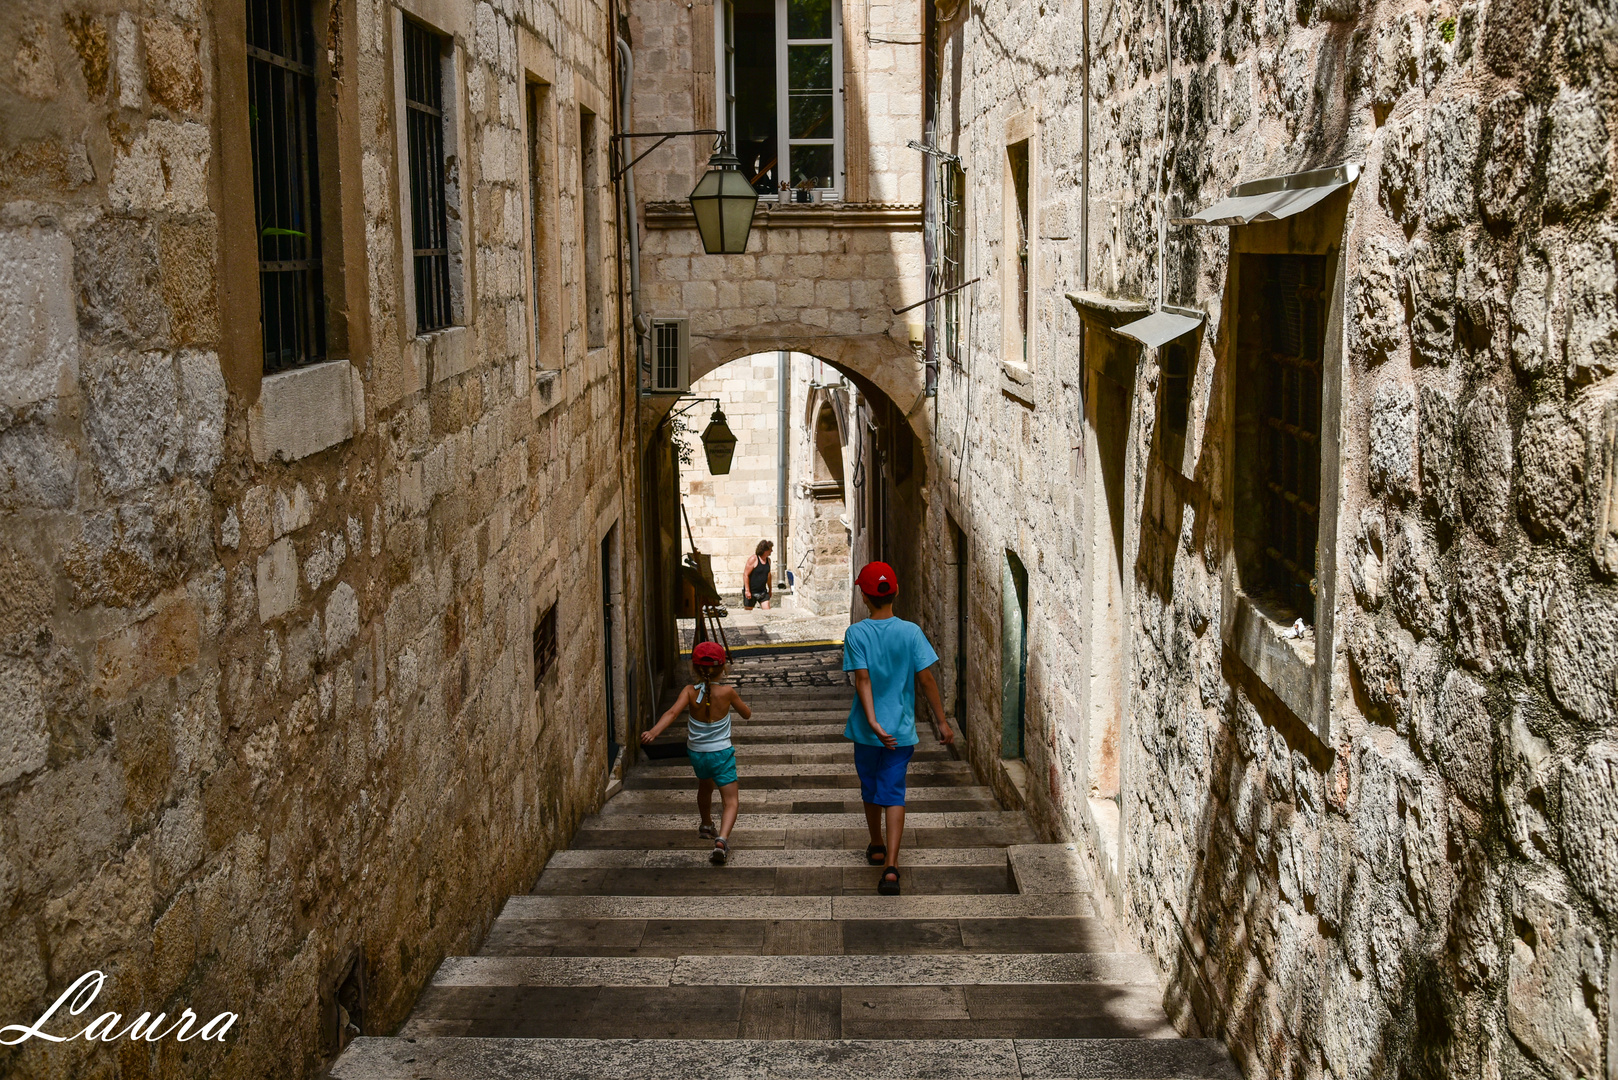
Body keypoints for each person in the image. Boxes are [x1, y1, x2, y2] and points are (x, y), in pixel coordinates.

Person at [842, 561, 954, 895]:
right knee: (894, 792)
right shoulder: (911, 633)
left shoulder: (856, 633)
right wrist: (942, 720)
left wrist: (873, 721)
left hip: (866, 729)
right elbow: (926, 679)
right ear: (896, 591)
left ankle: (876, 843)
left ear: (864, 596)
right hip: (900, 731)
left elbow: (862, 678)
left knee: (869, 786)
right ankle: (891, 865)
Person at [641, 641, 751, 864]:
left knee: (705, 785)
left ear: (694, 668)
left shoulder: (689, 692)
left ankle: (706, 824)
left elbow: (672, 713)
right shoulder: (728, 692)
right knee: (731, 801)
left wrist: (653, 732)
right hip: (721, 753)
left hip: (697, 754)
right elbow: (746, 714)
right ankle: (721, 840)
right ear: (723, 669)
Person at [742, 540, 773, 610]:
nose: (771, 551)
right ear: (765, 550)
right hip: (752, 591)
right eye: (770, 549)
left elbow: (768, 575)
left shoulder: (768, 561)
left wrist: (770, 589)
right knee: (748, 613)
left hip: (762, 592)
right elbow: (746, 575)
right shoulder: (753, 559)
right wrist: (747, 590)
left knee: (767, 611)